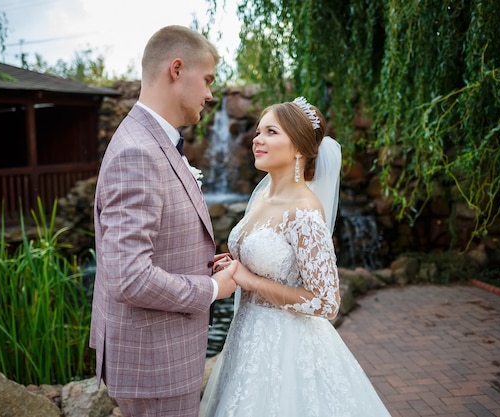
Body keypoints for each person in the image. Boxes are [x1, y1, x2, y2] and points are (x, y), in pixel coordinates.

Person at [199, 97, 393, 416]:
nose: (257, 139)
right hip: (246, 337)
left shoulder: (304, 211)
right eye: (258, 131)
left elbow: (326, 302)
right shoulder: (262, 196)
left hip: (286, 346)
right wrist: (234, 264)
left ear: (299, 148)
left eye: (271, 132)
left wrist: (250, 280)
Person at [89, 25, 238, 417]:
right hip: (155, 364)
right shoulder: (137, 152)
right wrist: (210, 289)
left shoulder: (149, 140)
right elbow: (130, 277)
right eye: (206, 79)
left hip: (160, 355)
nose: (210, 94)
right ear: (176, 69)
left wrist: (206, 262)